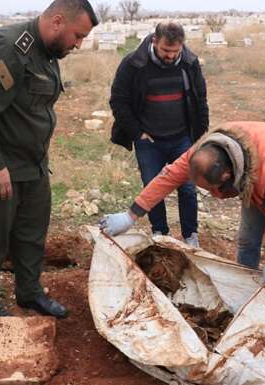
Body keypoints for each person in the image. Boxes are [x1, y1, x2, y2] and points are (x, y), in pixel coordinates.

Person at [100, 122, 265, 350]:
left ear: (228, 175)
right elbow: (169, 177)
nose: (214, 195)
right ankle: (244, 296)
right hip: (259, 181)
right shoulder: (204, 152)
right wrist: (131, 215)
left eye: (215, 189)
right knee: (248, 240)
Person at [0, 0, 98, 317]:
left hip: (30, 165)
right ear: (57, 21)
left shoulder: (46, 53)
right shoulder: (6, 48)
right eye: (77, 35)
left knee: (31, 233)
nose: (78, 44)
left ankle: (29, 293)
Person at [109, 22, 209, 248]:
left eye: (176, 51)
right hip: (149, 142)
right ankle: (160, 234)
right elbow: (119, 101)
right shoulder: (133, 64)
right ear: (155, 41)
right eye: (166, 50)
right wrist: (137, 133)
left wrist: (198, 135)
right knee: (153, 188)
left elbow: (200, 99)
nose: (171, 56)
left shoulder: (189, 63)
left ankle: (190, 236)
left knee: (187, 188)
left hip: (182, 138)